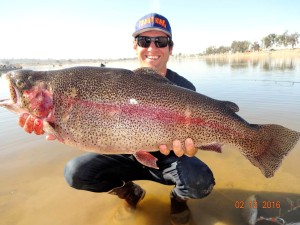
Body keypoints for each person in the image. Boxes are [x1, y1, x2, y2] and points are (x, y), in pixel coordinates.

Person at [18, 13, 215, 225]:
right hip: (124, 153)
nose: (152, 47)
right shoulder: (113, 83)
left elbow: (196, 138)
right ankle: (131, 193)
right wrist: (53, 126)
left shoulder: (185, 90)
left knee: (200, 180)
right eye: (144, 41)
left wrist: (192, 147)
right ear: (135, 46)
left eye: (160, 41)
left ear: (170, 48)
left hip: (167, 157)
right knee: (75, 172)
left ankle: (178, 200)